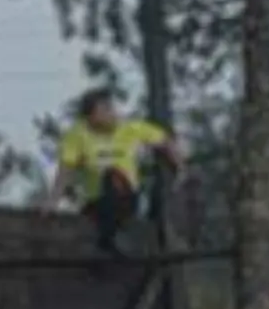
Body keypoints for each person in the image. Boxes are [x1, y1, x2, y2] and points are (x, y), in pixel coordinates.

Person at [40, 88, 183, 254]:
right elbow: (65, 171)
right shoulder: (77, 135)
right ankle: (107, 242)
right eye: (105, 110)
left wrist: (179, 166)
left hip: (126, 197)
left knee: (115, 175)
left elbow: (165, 141)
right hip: (96, 201)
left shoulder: (130, 128)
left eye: (111, 108)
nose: (112, 114)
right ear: (91, 117)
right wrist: (52, 201)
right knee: (107, 178)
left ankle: (123, 237)